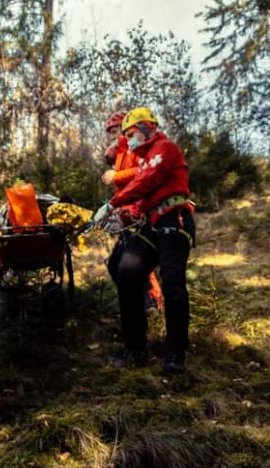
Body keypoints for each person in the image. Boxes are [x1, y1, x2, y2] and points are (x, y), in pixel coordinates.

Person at [102, 107, 195, 374]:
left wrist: (113, 203)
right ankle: (135, 347)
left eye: (131, 134)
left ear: (149, 128)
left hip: (174, 220)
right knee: (126, 270)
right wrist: (126, 215)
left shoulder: (165, 149)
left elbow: (148, 181)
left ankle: (176, 352)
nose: (128, 139)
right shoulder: (144, 158)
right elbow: (145, 198)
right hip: (153, 223)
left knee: (173, 282)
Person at [101, 111, 164, 313]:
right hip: (126, 213)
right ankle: (138, 305)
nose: (113, 134)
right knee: (118, 264)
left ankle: (151, 304)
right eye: (110, 131)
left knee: (134, 263)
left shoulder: (138, 148)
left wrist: (117, 176)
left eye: (117, 130)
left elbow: (143, 172)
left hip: (140, 212)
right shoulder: (120, 151)